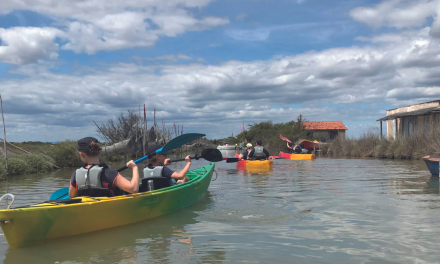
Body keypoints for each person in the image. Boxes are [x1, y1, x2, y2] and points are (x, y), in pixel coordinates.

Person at [69, 137, 140, 198]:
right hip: (110, 210)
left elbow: (72, 195)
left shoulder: (75, 174)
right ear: (99, 152)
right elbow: (133, 189)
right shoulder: (109, 173)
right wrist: (134, 168)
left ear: (81, 154)